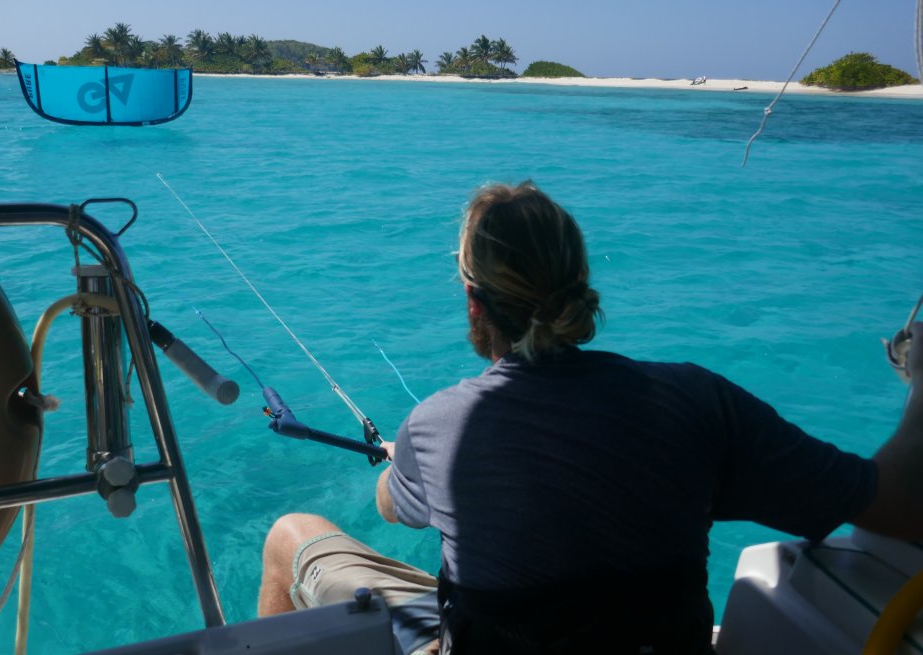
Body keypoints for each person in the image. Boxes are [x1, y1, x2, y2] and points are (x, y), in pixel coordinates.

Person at [258, 182, 923, 654]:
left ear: (473, 304)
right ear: (580, 284)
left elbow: (389, 505)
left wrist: (403, 456)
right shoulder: (699, 400)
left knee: (291, 535)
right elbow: (891, 499)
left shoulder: (437, 426)